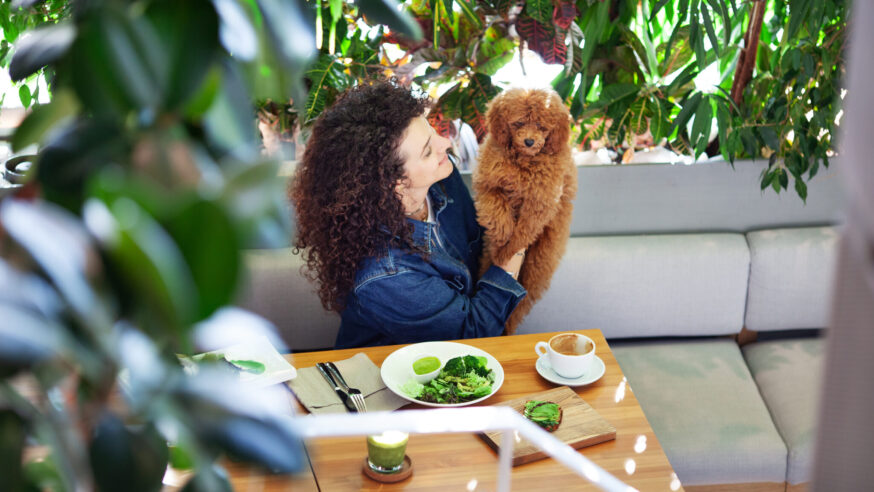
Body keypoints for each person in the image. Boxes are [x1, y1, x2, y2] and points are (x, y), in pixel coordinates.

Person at [289, 81, 527, 348]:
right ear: (395, 185)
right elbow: (472, 332)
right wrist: (518, 244)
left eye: (432, 131)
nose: (445, 142)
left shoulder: (441, 180)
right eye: (427, 151)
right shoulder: (385, 273)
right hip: (388, 378)